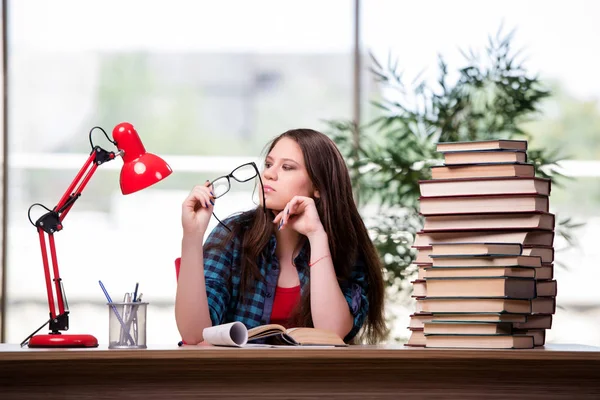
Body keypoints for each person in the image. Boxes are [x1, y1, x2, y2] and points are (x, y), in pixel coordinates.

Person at [175, 129, 386, 345]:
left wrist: (316, 236)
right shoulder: (231, 235)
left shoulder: (345, 248)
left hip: (315, 377)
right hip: (238, 376)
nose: (268, 174)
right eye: (268, 164)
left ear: (318, 187)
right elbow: (194, 335)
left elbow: (332, 334)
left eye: (287, 167)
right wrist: (192, 236)